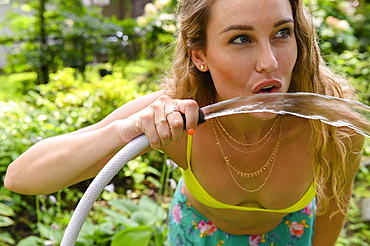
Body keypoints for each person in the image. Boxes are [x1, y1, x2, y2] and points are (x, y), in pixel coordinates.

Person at [5, 0, 365, 245]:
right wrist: (126, 130)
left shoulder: (332, 123)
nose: (269, 61)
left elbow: (334, 207)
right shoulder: (179, 118)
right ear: (200, 55)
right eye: (241, 39)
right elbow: (21, 177)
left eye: (282, 33)